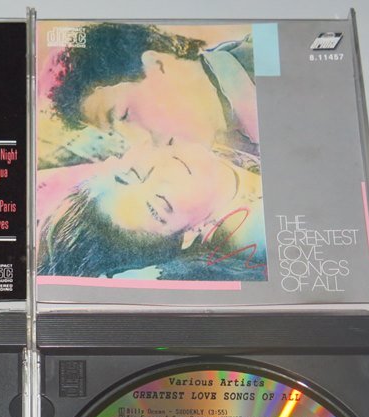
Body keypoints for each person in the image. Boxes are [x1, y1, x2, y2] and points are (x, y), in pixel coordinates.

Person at [39, 23, 259, 169]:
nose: (140, 142)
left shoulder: (269, 56)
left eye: (124, 115)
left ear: (157, 64)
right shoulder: (230, 160)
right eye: (116, 134)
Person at [37, 141, 265, 281]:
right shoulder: (255, 229)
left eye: (131, 174)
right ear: (189, 235)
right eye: (162, 202)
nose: (162, 173)